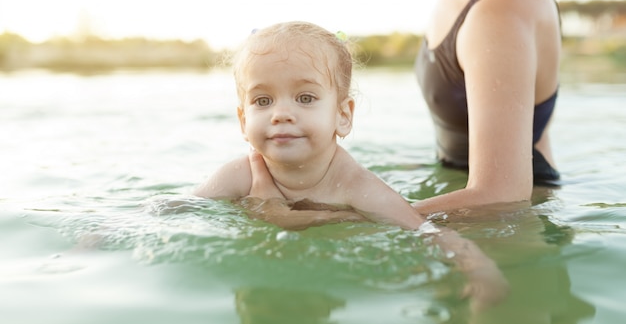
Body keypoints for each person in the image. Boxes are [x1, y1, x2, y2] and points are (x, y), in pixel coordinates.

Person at [193, 21, 508, 311]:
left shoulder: (354, 185)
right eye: (263, 101)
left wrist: (477, 268)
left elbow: (424, 230)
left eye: (305, 98)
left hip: (329, 268)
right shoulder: (239, 174)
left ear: (343, 115)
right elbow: (178, 209)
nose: (281, 113)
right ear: (243, 120)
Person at [404, 0, 562, 214]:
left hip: (512, 237)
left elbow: (502, 194)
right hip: (464, 204)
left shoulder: (501, 5)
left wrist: (363, 218)